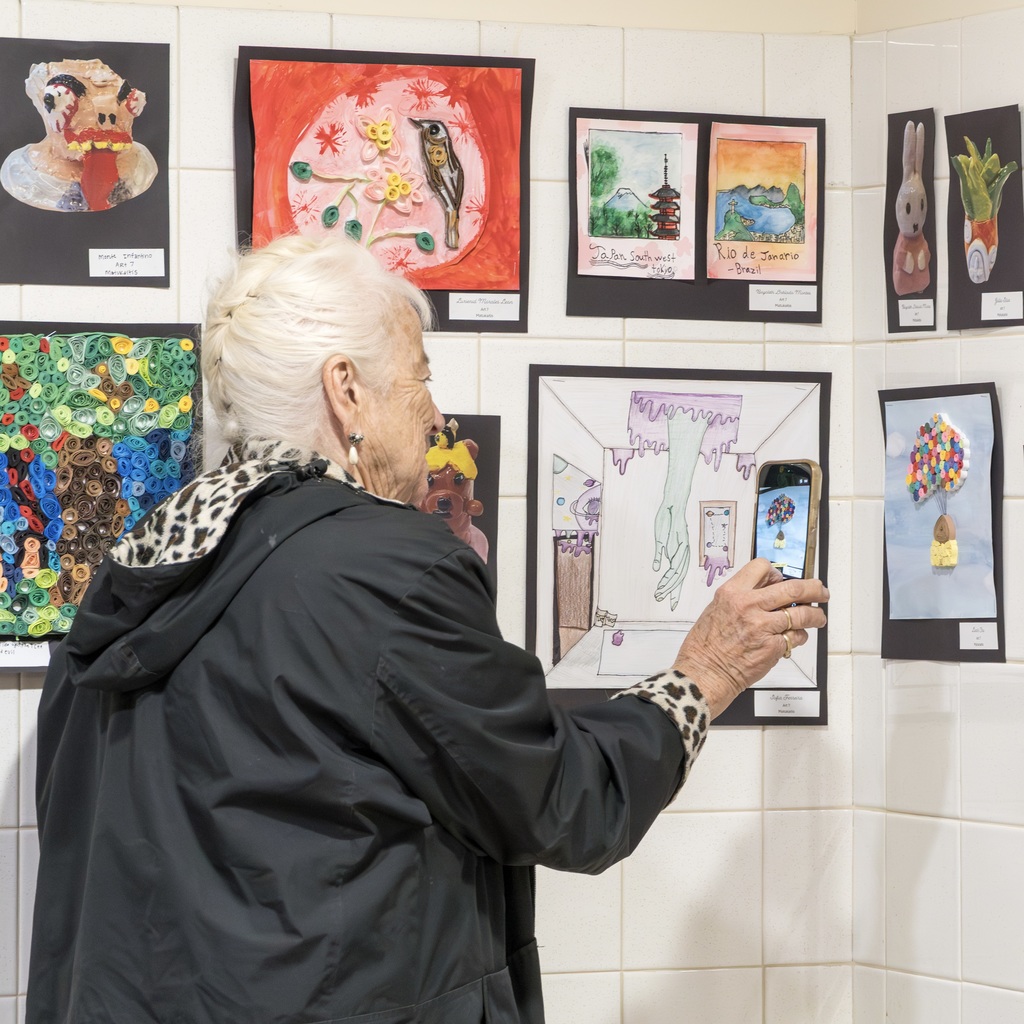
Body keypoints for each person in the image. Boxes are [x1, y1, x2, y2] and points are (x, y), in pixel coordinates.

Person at [26, 235, 828, 1024]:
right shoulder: (387, 570)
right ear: (346, 390)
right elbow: (564, 804)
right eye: (419, 378)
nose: (436, 415)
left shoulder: (137, 569)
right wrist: (704, 674)